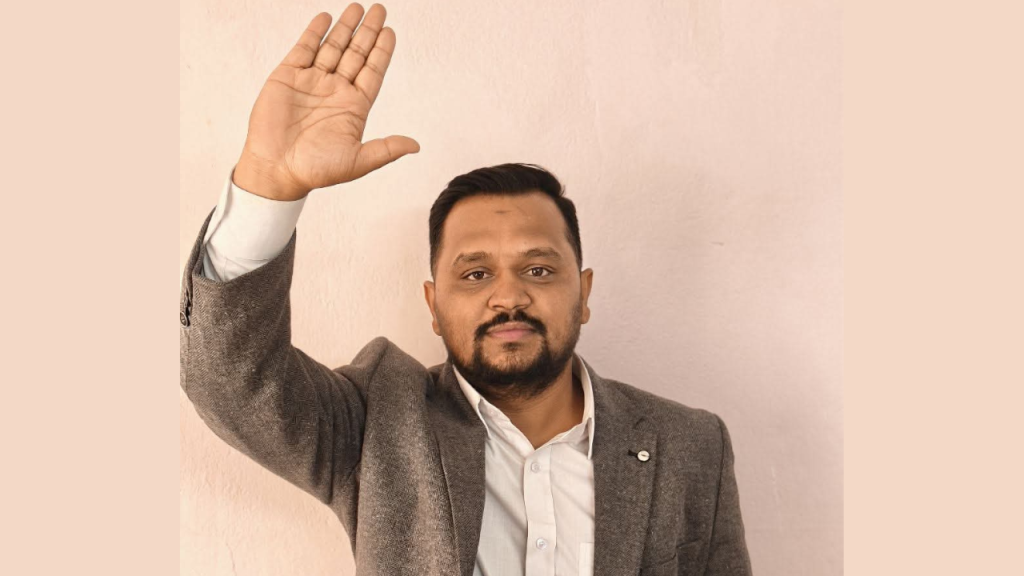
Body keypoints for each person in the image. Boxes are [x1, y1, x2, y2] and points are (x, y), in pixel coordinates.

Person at [179, 4, 752, 575]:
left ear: (584, 293)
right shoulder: (378, 421)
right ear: (433, 305)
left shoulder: (690, 445)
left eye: (538, 270)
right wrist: (270, 183)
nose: (508, 297)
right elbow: (228, 380)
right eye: (475, 274)